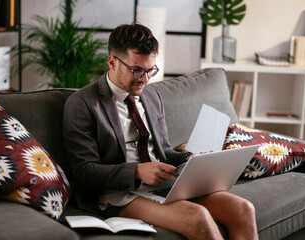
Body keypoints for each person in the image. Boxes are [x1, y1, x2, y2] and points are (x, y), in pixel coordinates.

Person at [62, 23, 258, 240]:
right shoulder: (82, 103)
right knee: (198, 217)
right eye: (137, 70)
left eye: (150, 70)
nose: (144, 79)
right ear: (112, 62)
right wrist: (136, 172)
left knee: (243, 209)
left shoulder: (152, 96)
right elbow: (84, 172)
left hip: (163, 185)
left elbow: (163, 151)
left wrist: (190, 159)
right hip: (118, 194)